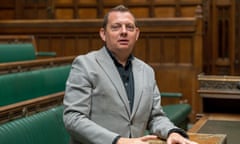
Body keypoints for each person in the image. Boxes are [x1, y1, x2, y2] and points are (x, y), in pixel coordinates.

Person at [63, 4, 197, 144]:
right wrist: (118, 141)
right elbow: (73, 118)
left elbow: (155, 116)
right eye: (116, 27)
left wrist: (171, 131)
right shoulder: (85, 65)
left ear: (137, 34)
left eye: (129, 27)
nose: (124, 32)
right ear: (103, 34)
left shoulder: (147, 71)